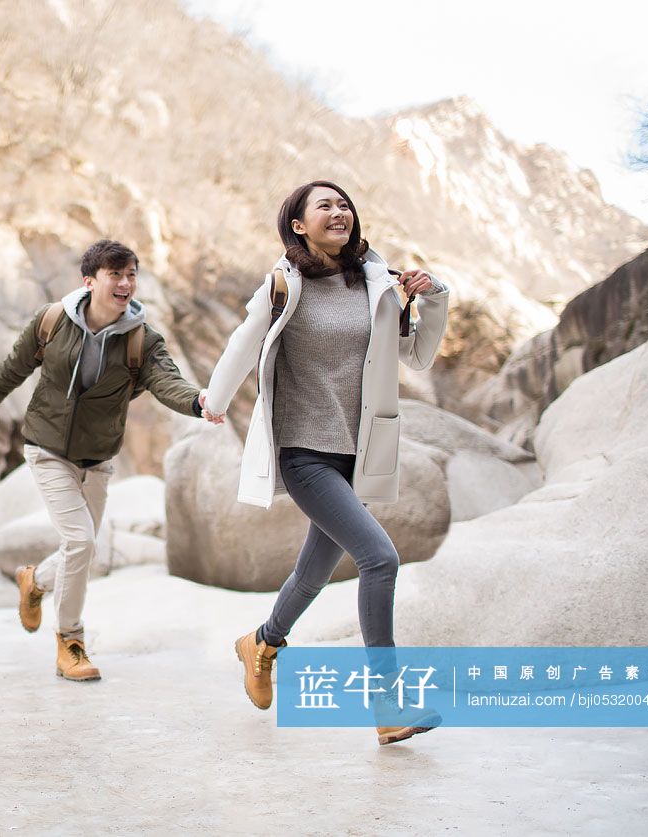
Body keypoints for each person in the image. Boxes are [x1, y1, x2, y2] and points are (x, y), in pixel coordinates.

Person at [201, 180, 450, 745]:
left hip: (354, 452)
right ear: (298, 224)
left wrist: (433, 295)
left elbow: (418, 354)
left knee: (312, 572)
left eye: (345, 205)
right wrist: (213, 402)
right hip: (303, 452)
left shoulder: (377, 282)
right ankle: (386, 707)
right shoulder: (284, 284)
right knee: (379, 558)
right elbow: (244, 340)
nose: (339, 213)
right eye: (325, 207)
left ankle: (262, 642)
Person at [0, 239, 211, 682]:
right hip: (47, 449)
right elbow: (15, 364)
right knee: (82, 542)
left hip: (98, 457)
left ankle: (37, 582)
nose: (125, 284)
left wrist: (197, 403)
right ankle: (71, 642)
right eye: (115, 275)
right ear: (90, 281)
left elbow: (167, 382)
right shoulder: (52, 321)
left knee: (81, 545)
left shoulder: (142, 340)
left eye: (131, 275)